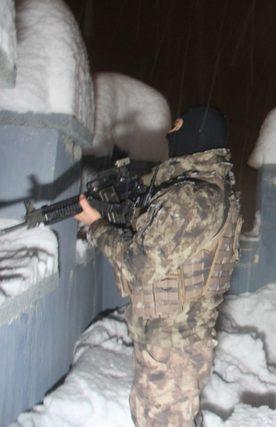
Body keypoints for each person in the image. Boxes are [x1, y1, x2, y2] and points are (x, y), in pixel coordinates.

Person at [75, 105, 242, 426]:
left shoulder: (190, 198)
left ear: (196, 135)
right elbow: (163, 236)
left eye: (178, 129)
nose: (170, 136)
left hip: (172, 347)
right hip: (182, 341)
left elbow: (140, 264)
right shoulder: (207, 189)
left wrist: (96, 227)